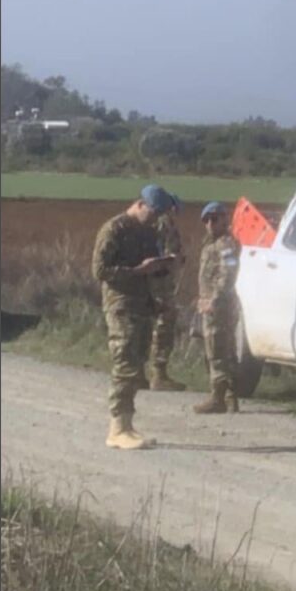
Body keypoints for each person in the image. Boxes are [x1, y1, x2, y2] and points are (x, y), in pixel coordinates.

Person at [92, 184, 180, 449]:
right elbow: (100, 270)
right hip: (120, 304)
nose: (154, 220)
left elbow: (147, 268)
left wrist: (162, 266)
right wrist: (137, 271)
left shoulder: (147, 231)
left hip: (142, 303)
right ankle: (117, 428)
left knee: (136, 364)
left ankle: (127, 425)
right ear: (140, 204)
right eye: (153, 214)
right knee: (125, 363)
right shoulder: (114, 229)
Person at [193, 201, 240, 414]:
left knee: (217, 350)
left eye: (215, 218)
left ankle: (218, 398)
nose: (210, 224)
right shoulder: (211, 243)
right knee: (222, 349)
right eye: (206, 220)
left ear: (224, 219)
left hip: (219, 306)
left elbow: (229, 274)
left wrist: (214, 298)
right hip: (209, 304)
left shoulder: (226, 244)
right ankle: (229, 398)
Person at [147, 191, 187, 391]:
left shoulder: (150, 222)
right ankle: (159, 374)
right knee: (164, 325)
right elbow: (170, 254)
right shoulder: (166, 223)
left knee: (145, 325)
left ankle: (137, 372)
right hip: (161, 282)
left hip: (150, 280)